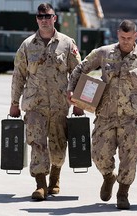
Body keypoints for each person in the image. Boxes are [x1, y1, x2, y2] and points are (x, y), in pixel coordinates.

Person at [67, 19, 137, 209]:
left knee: (130, 157)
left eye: (129, 38)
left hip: (130, 116)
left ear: (135, 36)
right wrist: (72, 90)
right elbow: (80, 68)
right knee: (99, 155)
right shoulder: (104, 53)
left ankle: (123, 193)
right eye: (122, 37)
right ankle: (108, 176)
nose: (125, 41)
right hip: (105, 114)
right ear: (118, 34)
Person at [9, 2, 81, 201]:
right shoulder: (27, 45)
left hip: (59, 104)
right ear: (37, 19)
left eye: (47, 16)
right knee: (37, 143)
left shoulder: (67, 44)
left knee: (58, 145)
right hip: (34, 104)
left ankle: (55, 178)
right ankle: (40, 184)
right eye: (40, 17)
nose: (44, 20)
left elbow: (78, 74)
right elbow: (19, 75)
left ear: (54, 18)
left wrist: (78, 103)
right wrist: (14, 102)